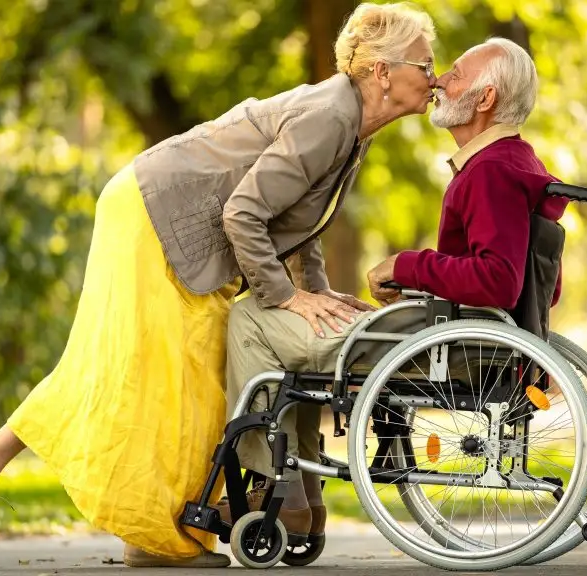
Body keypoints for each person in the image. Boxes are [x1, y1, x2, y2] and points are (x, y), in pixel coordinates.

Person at [0, 2, 437, 568]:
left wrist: (315, 290)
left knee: (144, 371)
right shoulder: (331, 118)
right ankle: (151, 536)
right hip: (158, 220)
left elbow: (293, 218)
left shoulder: (349, 123)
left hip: (166, 217)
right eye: (425, 61)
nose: (435, 75)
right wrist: (288, 296)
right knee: (189, 374)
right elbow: (245, 211)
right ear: (382, 71)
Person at [220, 37, 568, 543]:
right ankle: (302, 497)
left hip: (450, 347)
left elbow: (498, 279)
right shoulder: (518, 164)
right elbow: (539, 288)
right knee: (299, 323)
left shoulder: (492, 172)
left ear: (485, 99)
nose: (440, 81)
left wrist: (409, 266)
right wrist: (414, 298)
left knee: (253, 316)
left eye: (455, 73)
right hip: (455, 334)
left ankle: (279, 488)